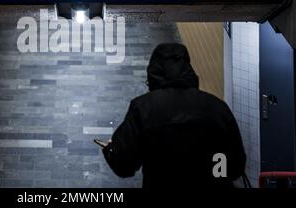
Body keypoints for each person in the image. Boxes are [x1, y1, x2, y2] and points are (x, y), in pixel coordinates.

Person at [102, 43, 246, 188]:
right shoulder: (217, 107)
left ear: (153, 74)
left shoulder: (144, 108)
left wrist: (110, 149)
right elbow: (236, 166)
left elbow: (124, 165)